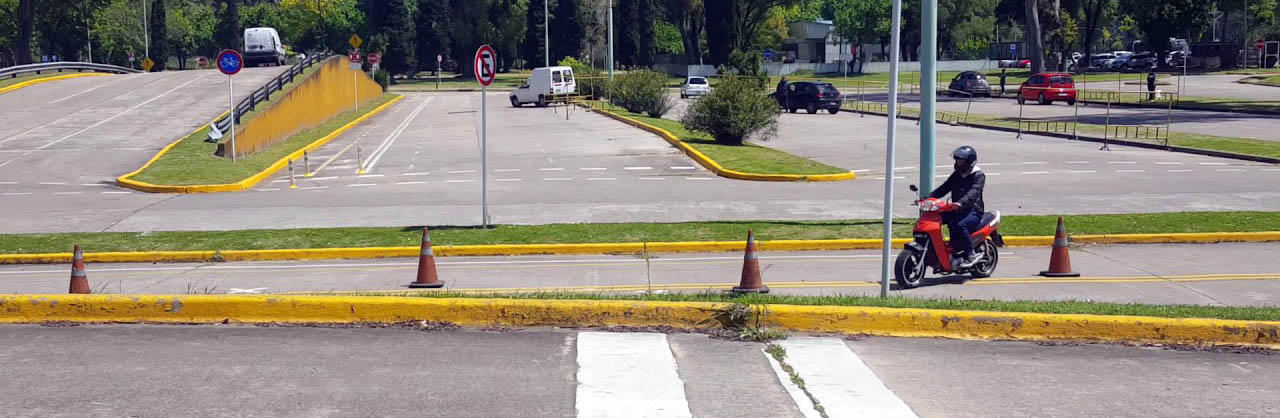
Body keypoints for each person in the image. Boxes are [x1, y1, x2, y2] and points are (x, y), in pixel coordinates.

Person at [929, 146, 986, 269]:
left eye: (961, 161)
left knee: (959, 225)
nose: (958, 163)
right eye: (957, 161)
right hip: (955, 209)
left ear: (969, 162)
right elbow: (945, 187)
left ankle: (971, 254)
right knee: (933, 218)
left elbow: (973, 192)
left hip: (973, 210)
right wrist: (929, 197)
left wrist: (960, 202)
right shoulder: (957, 174)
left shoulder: (978, 175)